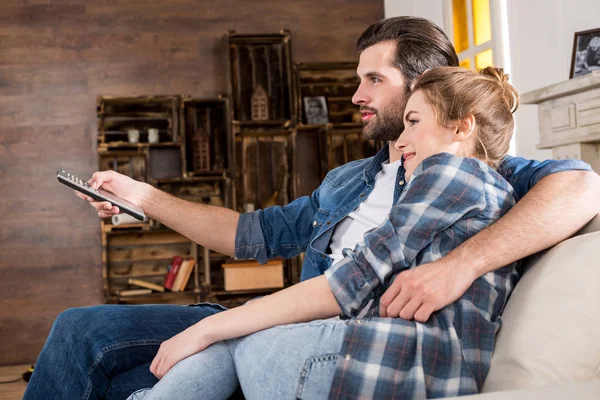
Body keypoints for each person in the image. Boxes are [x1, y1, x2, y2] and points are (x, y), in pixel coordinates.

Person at [24, 17, 599, 400]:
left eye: (374, 79)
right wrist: (142, 197)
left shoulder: (478, 170)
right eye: (357, 80)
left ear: (426, 87)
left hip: (329, 334)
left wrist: (460, 265)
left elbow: (583, 188)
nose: (356, 97)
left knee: (132, 361)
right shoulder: (350, 179)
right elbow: (254, 235)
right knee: (81, 330)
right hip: (286, 320)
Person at [125, 65, 523, 400]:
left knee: (231, 335)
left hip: (405, 366)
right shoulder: (493, 189)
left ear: (462, 127)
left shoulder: (451, 173)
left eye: (414, 122)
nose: (400, 142)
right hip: (424, 368)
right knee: (238, 332)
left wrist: (209, 325)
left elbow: (349, 283)